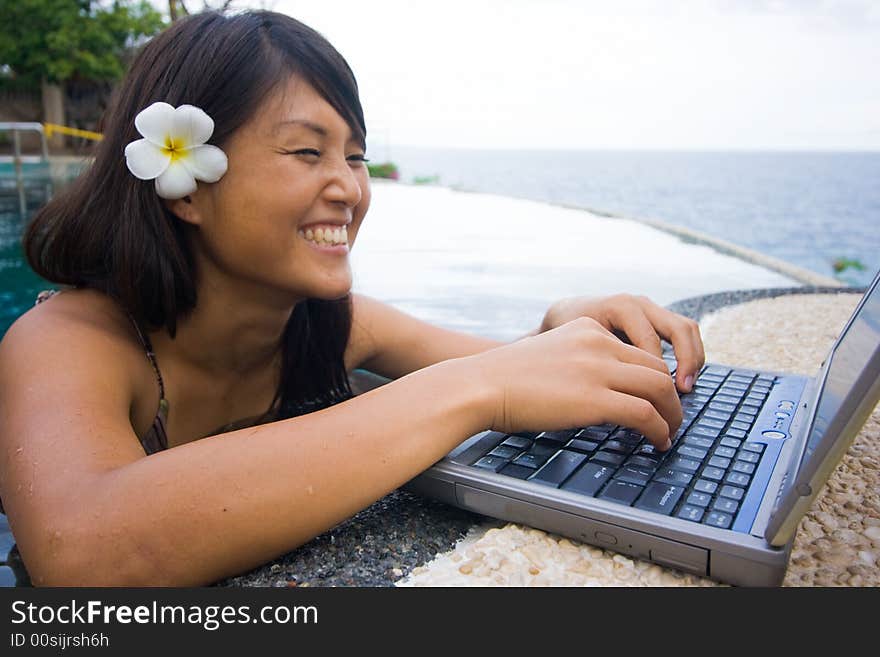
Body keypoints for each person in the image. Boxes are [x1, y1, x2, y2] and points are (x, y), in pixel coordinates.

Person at [0, 10, 704, 586]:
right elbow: (84, 548)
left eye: (356, 156)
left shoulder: (330, 326)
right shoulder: (69, 341)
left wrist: (560, 323)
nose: (350, 187)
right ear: (186, 184)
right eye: (308, 153)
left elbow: (513, 374)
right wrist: (477, 387)